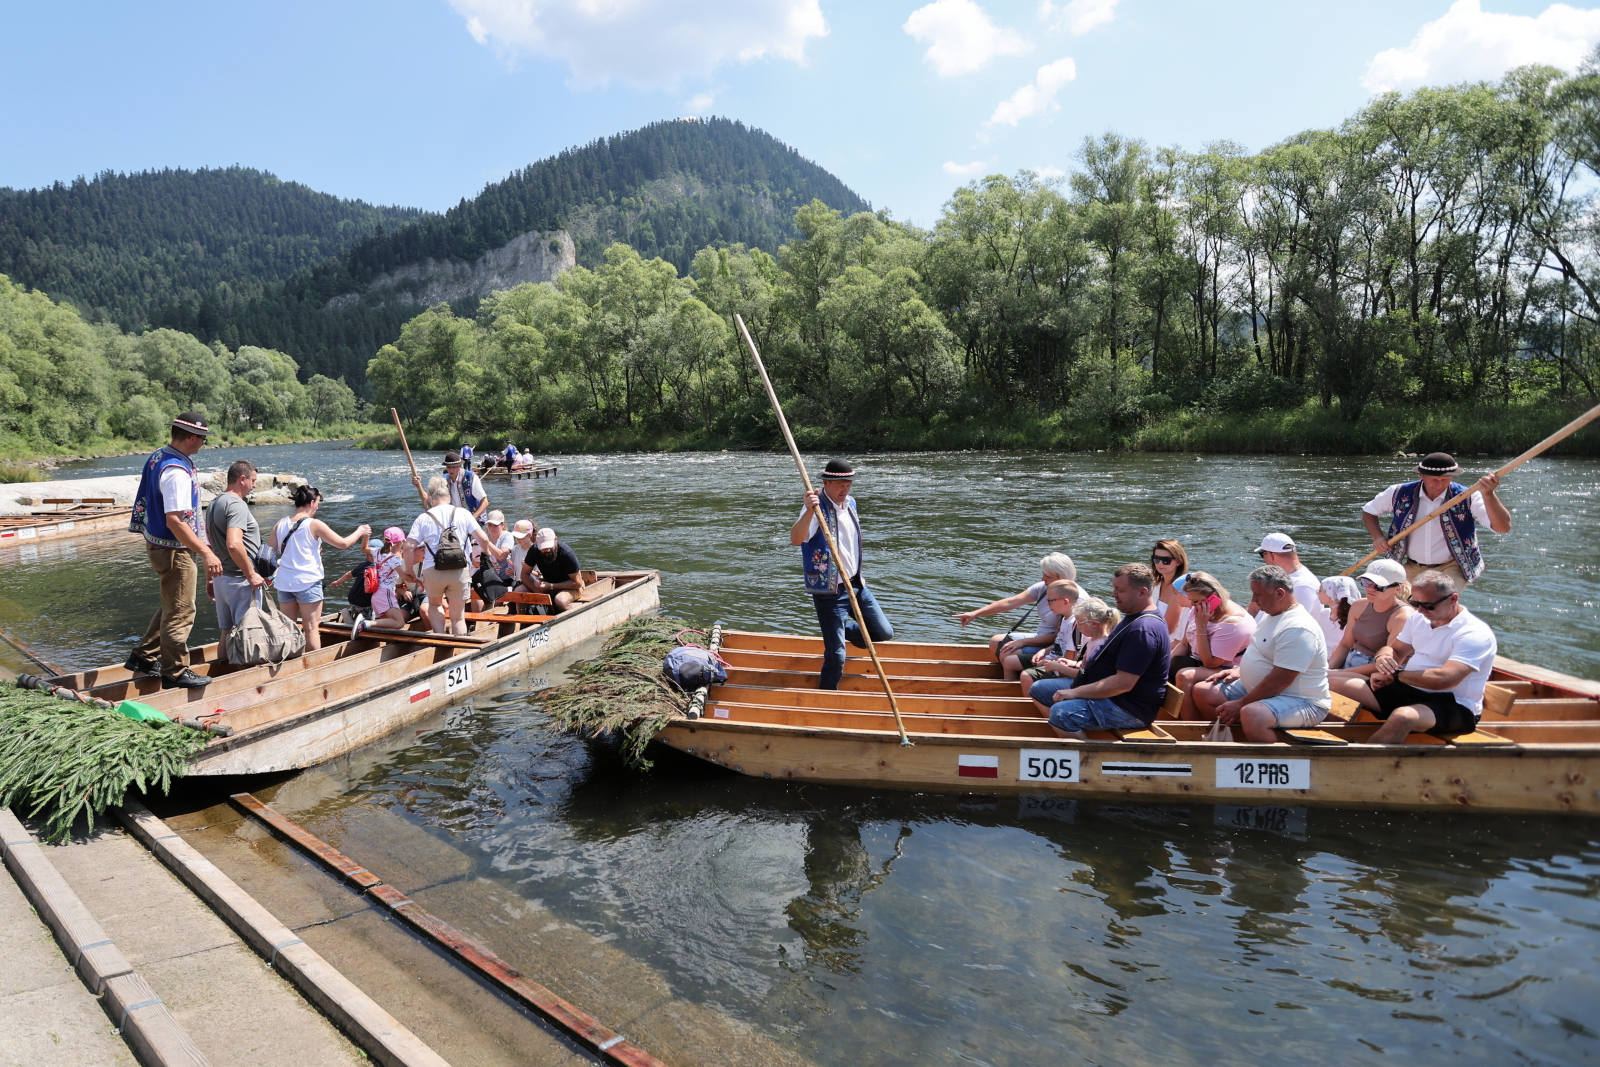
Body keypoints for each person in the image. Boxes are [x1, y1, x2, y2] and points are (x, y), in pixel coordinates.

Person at [1330, 570, 1496, 742]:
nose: (1421, 610)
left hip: (1454, 706)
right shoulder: (1418, 618)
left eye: (1428, 605)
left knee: (1403, 717)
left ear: (1453, 599)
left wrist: (1396, 677)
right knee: (1329, 683)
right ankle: (1326, 740)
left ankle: (1359, 762)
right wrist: (1383, 659)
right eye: (1416, 603)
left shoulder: (1474, 633)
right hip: (1407, 691)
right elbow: (1396, 650)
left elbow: (1445, 679)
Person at [126, 412, 224, 688]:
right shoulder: (177, 472)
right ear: (192, 438)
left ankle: (144, 657)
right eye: (203, 440)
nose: (203, 444)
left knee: (172, 604)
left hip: (158, 544)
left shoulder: (159, 455)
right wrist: (207, 553)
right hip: (175, 550)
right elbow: (176, 520)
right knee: (182, 610)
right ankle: (175, 672)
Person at [1190, 565, 1331, 742]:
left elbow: (1281, 680)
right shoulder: (1271, 613)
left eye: (1258, 595)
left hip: (1300, 700)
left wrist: (1241, 704)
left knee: (1253, 713)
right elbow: (1262, 653)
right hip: (1261, 689)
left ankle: (1275, 762)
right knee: (1203, 691)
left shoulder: (1298, 628)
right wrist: (1240, 670)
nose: (1254, 600)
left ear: (1279, 594)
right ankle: (1235, 742)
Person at [1031, 564, 1171, 738]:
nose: (1114, 595)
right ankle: (1069, 734)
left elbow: (1123, 683)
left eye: (1120, 590)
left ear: (1142, 592)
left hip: (1128, 707)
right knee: (1039, 689)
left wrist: (1074, 693)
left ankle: (1086, 760)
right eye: (1114, 588)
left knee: (1062, 713)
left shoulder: (1143, 630)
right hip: (1111, 695)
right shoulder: (1134, 618)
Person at [790, 458, 895, 690]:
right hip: (830, 591)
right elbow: (796, 539)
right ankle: (826, 696)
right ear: (826, 483)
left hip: (856, 585)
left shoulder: (851, 503)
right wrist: (809, 510)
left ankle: (838, 629)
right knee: (837, 656)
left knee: (882, 632)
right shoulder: (815, 508)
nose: (845, 489)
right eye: (840, 485)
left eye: (848, 484)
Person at [1361, 452, 1511, 587]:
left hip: (1452, 566)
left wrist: (1489, 494)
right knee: (1397, 606)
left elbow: (1503, 528)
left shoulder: (1468, 496)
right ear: (1421, 475)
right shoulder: (1399, 492)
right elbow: (1369, 511)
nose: (1439, 485)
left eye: (1445, 480)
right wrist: (1377, 537)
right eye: (1434, 480)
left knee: (1438, 601)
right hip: (1411, 566)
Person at [270, 485, 371, 653]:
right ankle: (312, 668)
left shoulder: (280, 523)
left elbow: (270, 551)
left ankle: (289, 665)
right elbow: (344, 544)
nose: (317, 507)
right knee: (311, 629)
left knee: (288, 629)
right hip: (307, 582)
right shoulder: (314, 524)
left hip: (284, 582)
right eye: (317, 503)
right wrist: (360, 531)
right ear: (311, 502)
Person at [952, 552, 1078, 681]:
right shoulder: (1044, 588)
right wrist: (976, 613)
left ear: (1062, 578)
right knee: (996, 642)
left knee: (1007, 653)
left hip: (1054, 644)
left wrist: (1022, 642)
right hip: (1041, 636)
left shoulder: (1072, 599)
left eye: (1047, 576)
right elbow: (1010, 602)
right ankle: (1019, 677)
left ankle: (1018, 683)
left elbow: (1060, 637)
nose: (1042, 579)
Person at [408, 477, 508, 635]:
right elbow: (484, 539)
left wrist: (409, 571)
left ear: (432, 498)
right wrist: (487, 553)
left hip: (433, 570)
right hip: (459, 570)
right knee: (458, 618)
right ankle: (460, 646)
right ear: (448, 497)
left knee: (434, 606)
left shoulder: (424, 518)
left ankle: (440, 638)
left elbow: (408, 547)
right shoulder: (463, 513)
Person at [1169, 571, 1256, 719]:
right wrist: (1164, 666)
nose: (1192, 605)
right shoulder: (1200, 608)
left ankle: (1191, 728)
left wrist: (1201, 626)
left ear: (1214, 597)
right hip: (1198, 661)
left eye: (1195, 601)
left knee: (1185, 676)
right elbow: (1185, 643)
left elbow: (1211, 663)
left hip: (1227, 668)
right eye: (1191, 600)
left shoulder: (1232, 624)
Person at [204, 459, 267, 664]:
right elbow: (234, 544)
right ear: (242, 479)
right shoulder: (236, 504)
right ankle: (246, 680)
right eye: (253, 480)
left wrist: (210, 577)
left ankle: (224, 675)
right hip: (240, 581)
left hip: (222, 579)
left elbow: (210, 545)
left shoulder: (214, 503)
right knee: (247, 633)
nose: (254, 485)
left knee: (226, 632)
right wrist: (251, 574)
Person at [1328, 558, 1414, 672]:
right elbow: (1345, 644)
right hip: (1348, 664)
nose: (1370, 589)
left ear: (1398, 588)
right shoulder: (1358, 605)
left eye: (1379, 586)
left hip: (1376, 672)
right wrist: (1330, 668)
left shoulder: (1402, 617)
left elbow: (1390, 663)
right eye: (1366, 582)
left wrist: (1338, 674)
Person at [1016, 580, 1084, 699]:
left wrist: (1048, 662)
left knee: (1026, 676)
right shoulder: (1063, 618)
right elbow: (1059, 644)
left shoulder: (1075, 624)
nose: (1047, 604)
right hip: (1053, 658)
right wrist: (1044, 651)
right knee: (1010, 660)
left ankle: (1028, 709)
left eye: (1050, 600)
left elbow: (1070, 658)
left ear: (1065, 602)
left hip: (1063, 665)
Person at [346, 528, 413, 636]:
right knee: (399, 623)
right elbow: (405, 577)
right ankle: (365, 623)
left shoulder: (377, 552)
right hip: (385, 594)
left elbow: (363, 548)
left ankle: (368, 625)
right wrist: (417, 579)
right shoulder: (394, 559)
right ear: (400, 543)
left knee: (388, 623)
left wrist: (366, 536)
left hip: (376, 595)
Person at [1246, 533, 1319, 617]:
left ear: (1271, 555)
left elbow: (1294, 621)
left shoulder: (1304, 585)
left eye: (1262, 554)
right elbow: (1252, 609)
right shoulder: (1272, 577)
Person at [521, 527, 585, 613]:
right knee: (519, 591)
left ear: (556, 539)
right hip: (548, 584)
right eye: (543, 548)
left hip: (572, 586)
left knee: (560, 600)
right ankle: (522, 622)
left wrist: (551, 586)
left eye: (549, 546)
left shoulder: (566, 553)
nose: (547, 550)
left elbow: (577, 583)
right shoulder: (534, 550)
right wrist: (541, 593)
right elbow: (524, 574)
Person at [412, 452, 488, 522]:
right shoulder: (443, 480)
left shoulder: (471, 477)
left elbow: (485, 502)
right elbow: (428, 500)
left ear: (460, 466)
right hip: (454, 520)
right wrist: (419, 486)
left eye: (454, 467)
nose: (451, 470)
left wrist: (472, 518)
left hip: (475, 518)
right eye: (448, 467)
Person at [471, 510, 517, 608]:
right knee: (475, 592)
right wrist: (488, 565)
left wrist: (486, 542)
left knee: (489, 593)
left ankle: (487, 618)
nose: (491, 528)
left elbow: (501, 556)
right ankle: (476, 620)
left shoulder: (507, 536)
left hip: (502, 578)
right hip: (486, 576)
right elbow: (475, 562)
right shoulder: (483, 537)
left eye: (495, 525)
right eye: (489, 525)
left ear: (502, 525)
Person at [329, 539, 382, 623]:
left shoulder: (362, 566)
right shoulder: (382, 569)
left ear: (366, 555)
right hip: (366, 603)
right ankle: (361, 621)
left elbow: (348, 574)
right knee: (370, 618)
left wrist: (338, 582)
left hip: (352, 598)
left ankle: (351, 611)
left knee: (357, 604)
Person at [1149, 539, 1189, 636]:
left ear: (1179, 561)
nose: (1160, 563)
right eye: (1156, 559)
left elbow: (1168, 628)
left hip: (1169, 642)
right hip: (1152, 633)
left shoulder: (1180, 589)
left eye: (1166, 560)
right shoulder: (1155, 583)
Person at [1315, 574, 1362, 653]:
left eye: (1320, 591)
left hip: (1334, 660)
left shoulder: (1351, 622)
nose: (1317, 593)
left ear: (1330, 596)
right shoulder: (1324, 613)